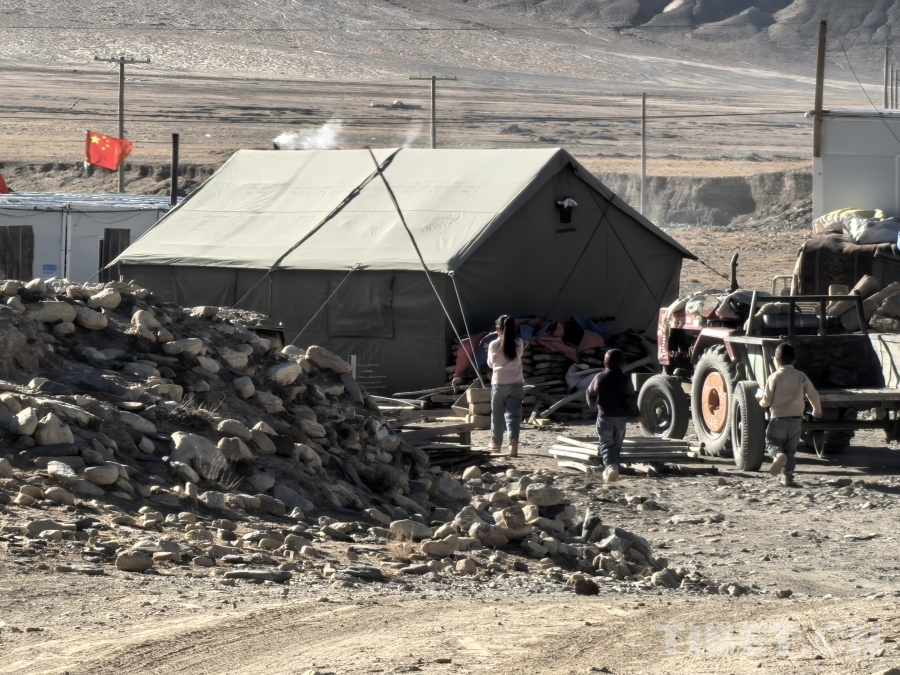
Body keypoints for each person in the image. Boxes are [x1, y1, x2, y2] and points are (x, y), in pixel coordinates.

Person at [757, 342, 822, 487]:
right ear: (794, 360)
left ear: (776, 360)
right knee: (791, 449)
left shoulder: (774, 377)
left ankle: (778, 455)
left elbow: (767, 401)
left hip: (778, 418)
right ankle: (787, 476)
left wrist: (760, 401)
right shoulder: (801, 376)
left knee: (773, 442)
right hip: (796, 419)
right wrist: (817, 412)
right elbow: (813, 394)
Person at [585, 348, 638, 483]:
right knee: (616, 444)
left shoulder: (600, 377)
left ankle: (610, 467)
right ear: (623, 365)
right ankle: (614, 466)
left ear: (605, 364)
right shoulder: (626, 379)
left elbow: (590, 391)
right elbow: (631, 399)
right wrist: (637, 414)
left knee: (606, 443)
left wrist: (592, 403)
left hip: (604, 417)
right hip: (621, 419)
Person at [486, 315, 524, 457]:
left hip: (499, 383)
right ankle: (513, 444)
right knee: (513, 415)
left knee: (497, 415)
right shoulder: (519, 343)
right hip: (517, 383)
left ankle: (496, 445)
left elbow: (491, 364)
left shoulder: (493, 345)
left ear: (498, 329)